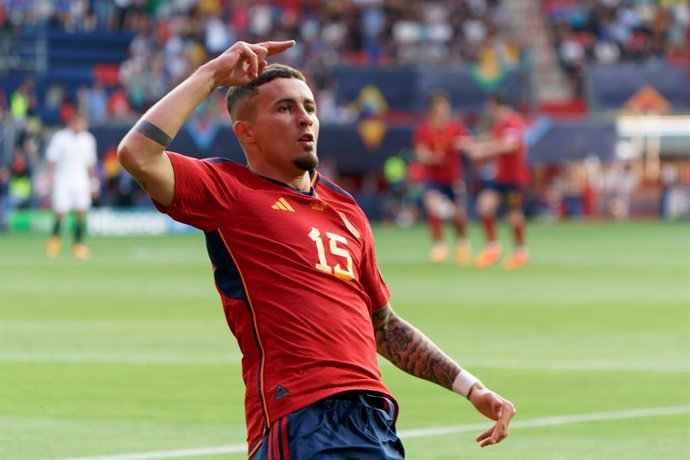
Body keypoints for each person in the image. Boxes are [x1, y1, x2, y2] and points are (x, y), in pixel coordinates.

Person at [117, 40, 515, 459]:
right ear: (246, 132)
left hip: (375, 419)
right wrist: (211, 76)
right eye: (285, 109)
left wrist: (471, 387)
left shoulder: (347, 210)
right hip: (303, 417)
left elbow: (384, 326)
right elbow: (138, 155)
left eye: (309, 107)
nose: (305, 119)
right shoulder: (230, 191)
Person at [463, 92, 530, 270]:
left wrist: (483, 150)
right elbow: (495, 138)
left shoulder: (513, 121)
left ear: (494, 105)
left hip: (514, 178)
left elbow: (509, 145)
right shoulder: (501, 124)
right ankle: (493, 248)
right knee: (484, 207)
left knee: (513, 214)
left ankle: (520, 252)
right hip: (500, 177)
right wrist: (474, 143)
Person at [413, 91, 473, 265]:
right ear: (432, 110)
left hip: (453, 178)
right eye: (441, 107)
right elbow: (420, 154)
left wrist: (466, 145)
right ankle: (439, 247)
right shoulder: (424, 130)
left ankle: (462, 244)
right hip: (433, 178)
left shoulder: (455, 127)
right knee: (433, 205)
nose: (445, 110)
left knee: (458, 216)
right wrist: (432, 158)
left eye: (446, 107)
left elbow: (468, 143)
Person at [45, 113, 99, 260]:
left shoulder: (88, 139)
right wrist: (50, 178)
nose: (82, 126)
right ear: (73, 122)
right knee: (60, 212)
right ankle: (54, 240)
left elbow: (90, 164)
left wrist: (93, 183)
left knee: (80, 212)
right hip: (62, 180)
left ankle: (78, 244)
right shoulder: (60, 137)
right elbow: (52, 159)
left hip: (81, 180)